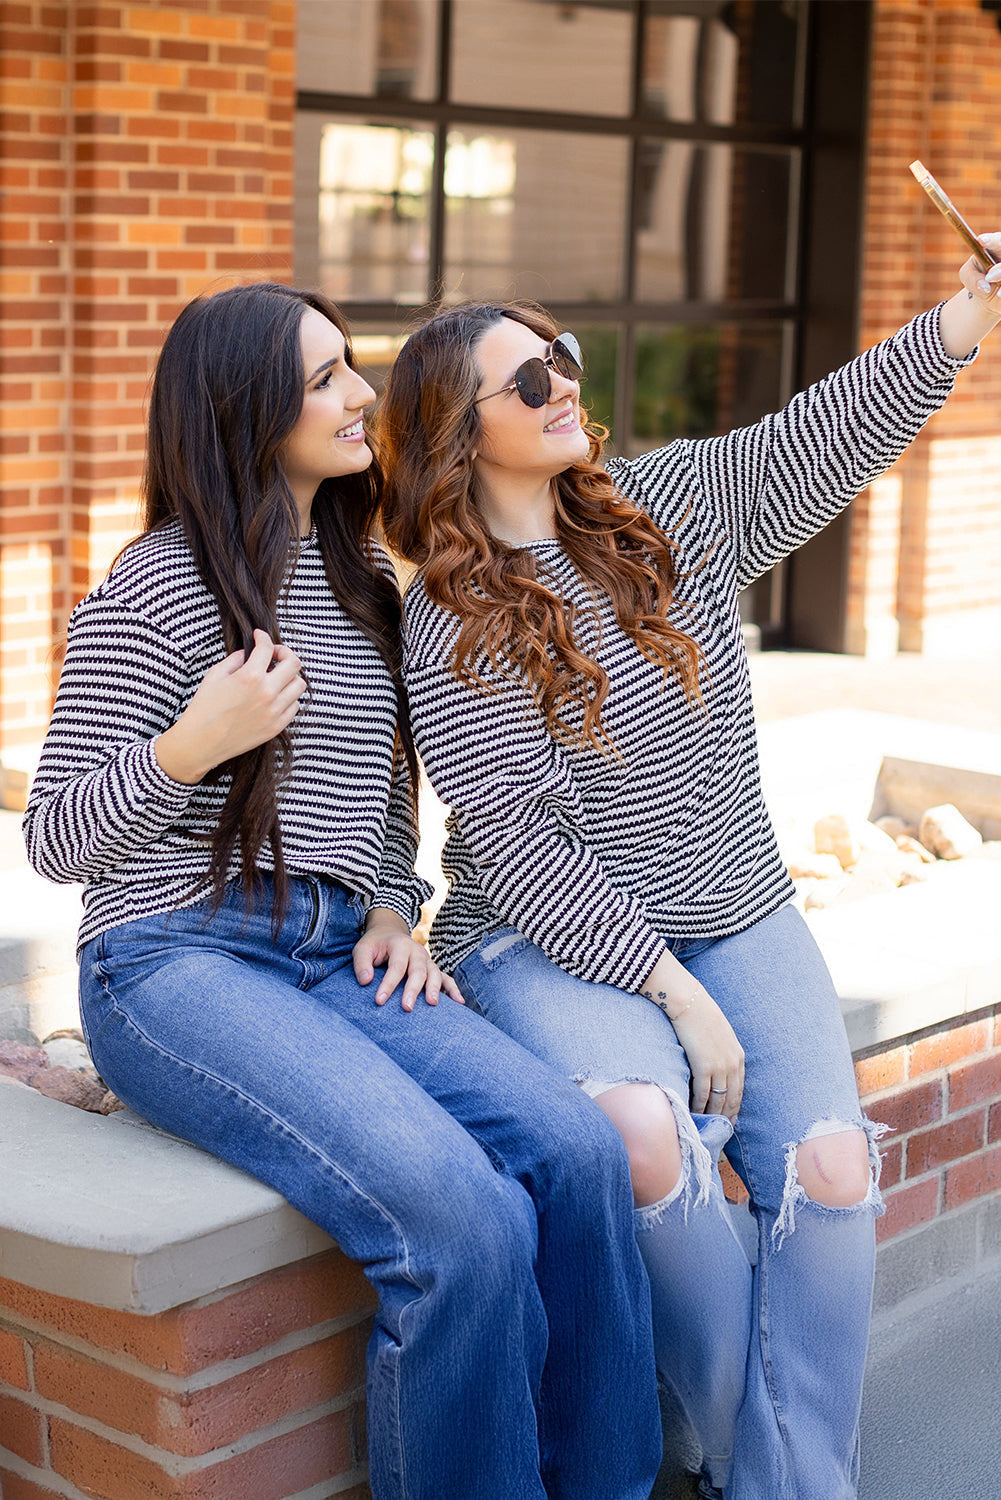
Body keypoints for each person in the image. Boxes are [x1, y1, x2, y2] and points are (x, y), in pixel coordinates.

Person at [377, 245, 1001, 1500]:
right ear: (458, 433)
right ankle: (763, 1472)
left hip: (735, 906)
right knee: (641, 1135)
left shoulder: (668, 509)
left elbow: (819, 436)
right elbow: (514, 847)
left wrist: (960, 318)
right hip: (543, 941)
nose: (562, 386)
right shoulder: (444, 614)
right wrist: (670, 985)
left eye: (558, 359)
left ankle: (773, 1478)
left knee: (827, 1167)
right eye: (524, 381)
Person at [22, 282, 664, 1500]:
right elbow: (55, 837)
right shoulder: (157, 583)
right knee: (460, 1223)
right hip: (173, 961)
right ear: (243, 408)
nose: (360, 394)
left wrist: (386, 901)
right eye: (322, 379)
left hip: (337, 953)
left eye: (348, 369)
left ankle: (608, 1485)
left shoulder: (362, 576)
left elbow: (381, 797)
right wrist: (188, 746)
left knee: (575, 1152)